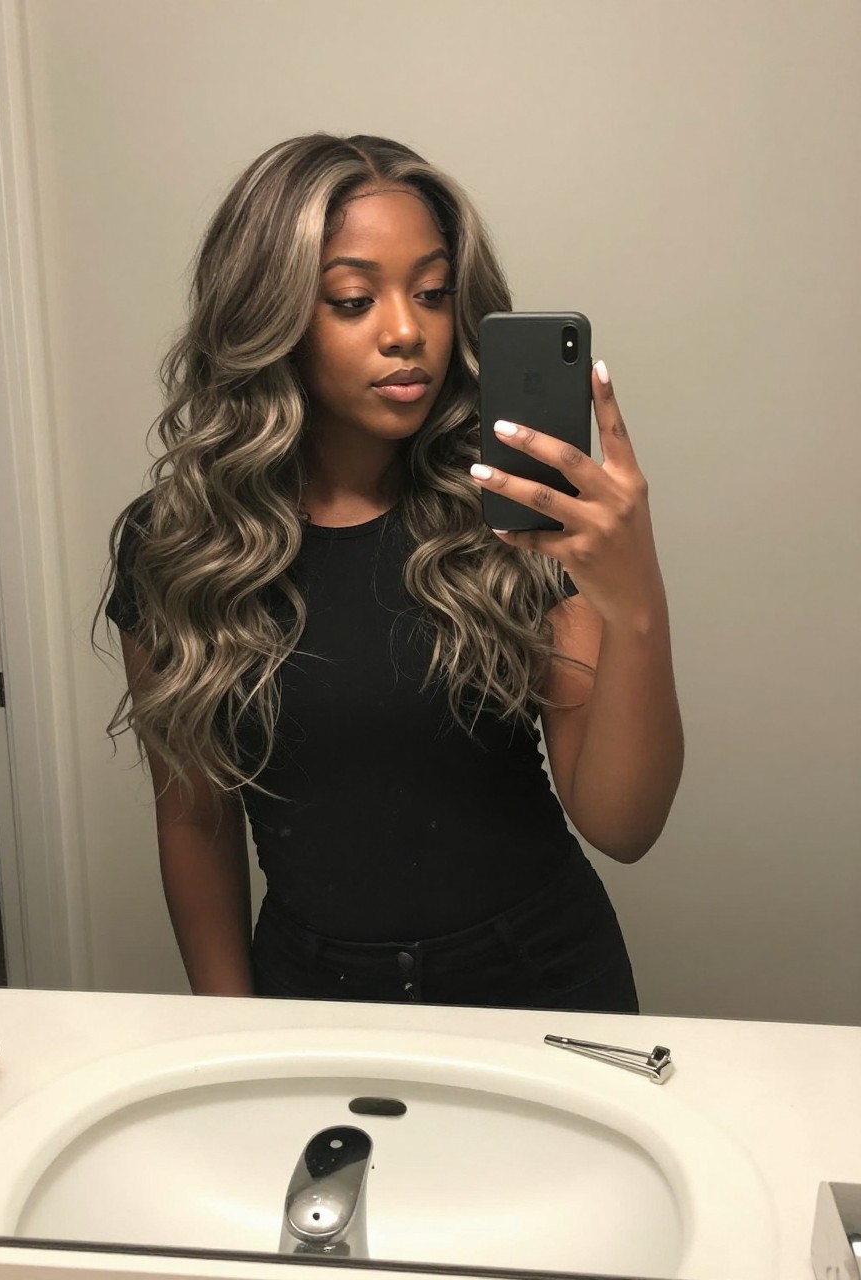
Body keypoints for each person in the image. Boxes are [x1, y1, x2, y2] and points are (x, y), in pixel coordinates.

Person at [98, 133, 683, 1012]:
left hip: (542, 987)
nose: (408, 331)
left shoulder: (513, 514)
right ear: (272, 314)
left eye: (434, 293)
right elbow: (193, 819)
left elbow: (622, 825)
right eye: (353, 298)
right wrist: (228, 1029)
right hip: (312, 993)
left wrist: (636, 605)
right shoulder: (181, 546)